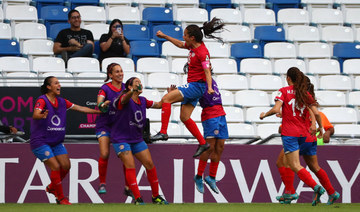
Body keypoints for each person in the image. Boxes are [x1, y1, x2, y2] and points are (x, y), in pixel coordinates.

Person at [151, 17, 226, 158]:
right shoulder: (193, 46)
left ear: (192, 37)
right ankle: (203, 143)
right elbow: (180, 45)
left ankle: (163, 132)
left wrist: (210, 87)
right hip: (195, 85)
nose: (183, 37)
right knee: (184, 117)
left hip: (196, 85)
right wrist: (165, 36)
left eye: (185, 35)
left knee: (166, 99)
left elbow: (207, 71)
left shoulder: (202, 53)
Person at [30, 76, 102, 205]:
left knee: (66, 166)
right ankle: (61, 198)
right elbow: (36, 114)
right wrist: (42, 115)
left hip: (56, 141)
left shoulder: (62, 101)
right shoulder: (42, 100)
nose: (59, 85)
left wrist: (99, 112)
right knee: (56, 167)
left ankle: (52, 187)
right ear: (48, 86)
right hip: (41, 141)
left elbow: (81, 108)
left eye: (59, 83)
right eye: (56, 83)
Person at [259, 67, 326, 206]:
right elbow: (317, 113)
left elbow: (276, 109)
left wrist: (264, 115)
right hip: (303, 133)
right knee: (284, 162)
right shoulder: (304, 93)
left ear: (288, 78)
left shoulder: (283, 91)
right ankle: (289, 193)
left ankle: (316, 187)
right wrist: (320, 127)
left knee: (294, 165)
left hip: (289, 134)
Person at [275, 78, 339, 205]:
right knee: (314, 167)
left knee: (284, 163)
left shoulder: (300, 107)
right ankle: (332, 192)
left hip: (298, 138)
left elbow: (287, 126)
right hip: (311, 139)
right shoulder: (314, 109)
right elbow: (324, 124)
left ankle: (290, 192)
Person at [111, 77, 169, 205]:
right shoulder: (124, 99)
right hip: (121, 139)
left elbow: (159, 105)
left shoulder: (143, 100)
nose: (140, 84)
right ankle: (138, 199)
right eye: (137, 83)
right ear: (130, 87)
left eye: (140, 83)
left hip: (136, 139)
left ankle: (156, 197)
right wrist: (131, 92)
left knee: (149, 164)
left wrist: (169, 95)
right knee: (130, 165)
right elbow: (125, 98)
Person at [95, 63, 126, 194]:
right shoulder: (105, 88)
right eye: (117, 72)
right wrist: (104, 105)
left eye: (121, 71)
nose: (120, 74)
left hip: (119, 126)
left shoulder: (126, 88)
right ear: (110, 75)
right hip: (104, 125)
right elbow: (99, 104)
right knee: (104, 153)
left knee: (126, 156)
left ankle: (128, 185)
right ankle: (102, 183)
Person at [193, 79, 228, 194]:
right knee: (210, 147)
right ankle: (198, 176)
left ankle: (211, 177)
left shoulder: (211, 79)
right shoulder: (197, 81)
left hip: (221, 113)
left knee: (220, 147)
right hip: (210, 114)